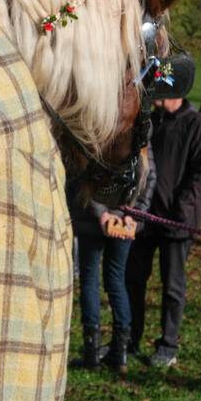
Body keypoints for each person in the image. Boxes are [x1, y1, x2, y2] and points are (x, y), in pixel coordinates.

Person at [125, 97, 201, 368]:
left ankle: (168, 343)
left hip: (177, 223)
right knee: (134, 280)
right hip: (146, 219)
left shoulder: (198, 125)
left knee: (172, 286)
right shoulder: (153, 121)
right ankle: (130, 338)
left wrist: (180, 210)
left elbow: (199, 174)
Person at [68, 144, 157, 373]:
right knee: (113, 279)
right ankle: (118, 353)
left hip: (103, 220)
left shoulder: (102, 124)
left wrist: (112, 214)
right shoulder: (138, 127)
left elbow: (82, 172)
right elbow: (149, 175)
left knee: (92, 279)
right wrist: (131, 213)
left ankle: (96, 353)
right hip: (118, 221)